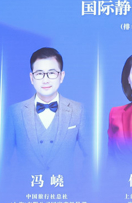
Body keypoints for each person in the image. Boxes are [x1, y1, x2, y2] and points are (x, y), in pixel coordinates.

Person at [7, 47, 87, 175]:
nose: (45, 80)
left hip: (64, 186)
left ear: (61, 76)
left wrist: (81, 184)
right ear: (31, 78)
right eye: (39, 73)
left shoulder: (78, 110)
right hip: (26, 186)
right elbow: (3, 159)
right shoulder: (14, 112)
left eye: (52, 73)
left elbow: (91, 156)